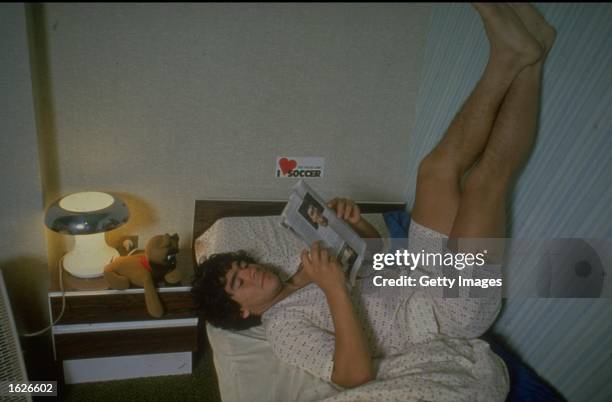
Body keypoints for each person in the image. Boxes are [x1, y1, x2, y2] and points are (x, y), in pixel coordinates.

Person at [192, 3, 555, 399]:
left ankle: (521, 53)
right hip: (447, 313)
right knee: (484, 184)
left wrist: (357, 227)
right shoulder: (282, 328)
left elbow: (377, 259)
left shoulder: (302, 269)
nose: (251, 270)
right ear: (243, 312)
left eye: (243, 264)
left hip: (417, 270)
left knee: (433, 170)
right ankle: (523, 61)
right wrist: (334, 289)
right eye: (238, 281)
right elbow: (352, 376)